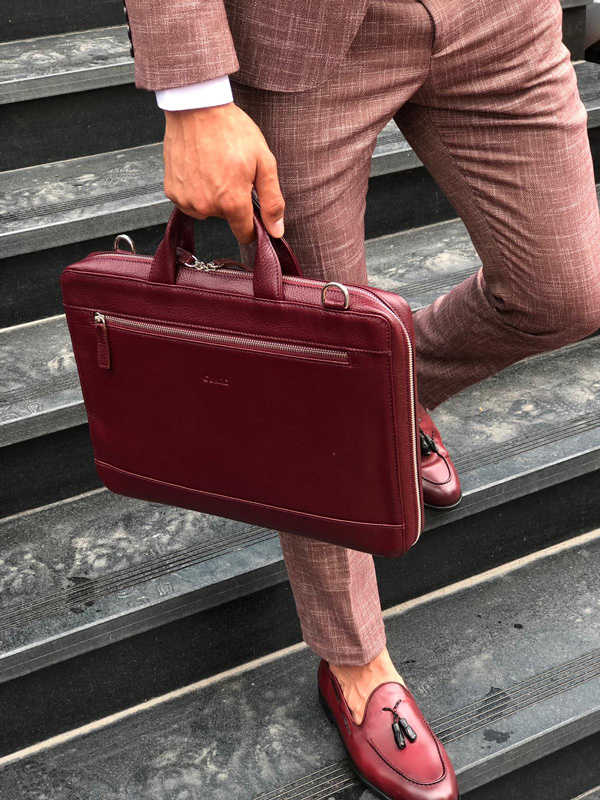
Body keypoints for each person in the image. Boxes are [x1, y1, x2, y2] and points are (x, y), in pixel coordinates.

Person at [121, 1, 600, 797]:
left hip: (501, 19)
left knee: (566, 290)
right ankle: (352, 656)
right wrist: (195, 92)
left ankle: (384, 398)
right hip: (307, 36)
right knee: (314, 361)